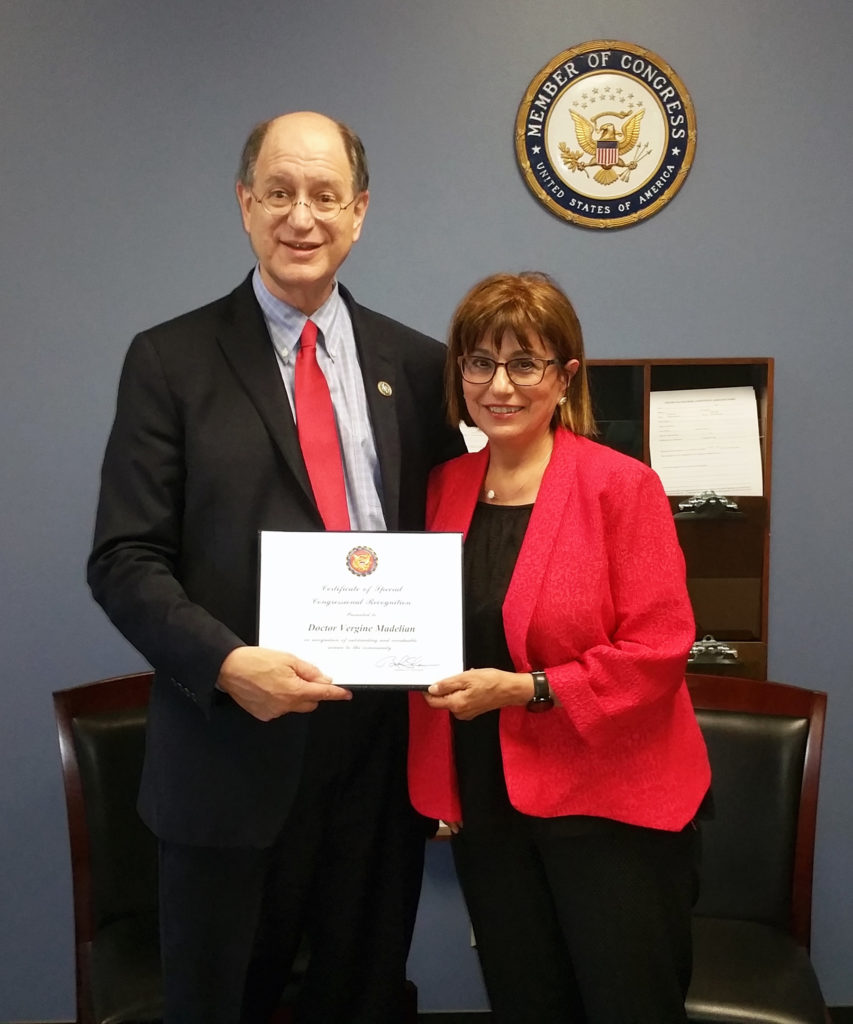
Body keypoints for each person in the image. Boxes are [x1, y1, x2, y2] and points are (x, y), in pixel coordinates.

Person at [88, 111, 464, 1024]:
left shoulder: (417, 365)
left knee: (364, 992)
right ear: (245, 205)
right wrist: (225, 666)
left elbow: (451, 534)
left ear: (360, 212)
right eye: (281, 193)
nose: (303, 216)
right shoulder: (168, 360)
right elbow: (124, 558)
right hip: (231, 752)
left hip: (377, 759)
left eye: (325, 195)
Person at [408, 272, 711, 1024]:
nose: (499, 385)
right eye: (479, 362)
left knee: (625, 1002)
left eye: (524, 363)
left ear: (564, 375)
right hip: (489, 800)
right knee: (524, 997)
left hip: (612, 806)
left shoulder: (622, 487)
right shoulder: (443, 486)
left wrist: (526, 688)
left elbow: (658, 649)